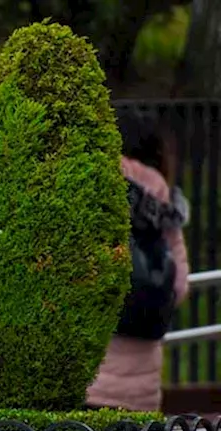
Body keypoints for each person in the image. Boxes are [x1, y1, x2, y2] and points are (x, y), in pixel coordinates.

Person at [87, 109, 190, 411]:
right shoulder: (162, 199)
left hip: (87, 375)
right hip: (143, 388)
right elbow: (179, 285)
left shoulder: (91, 182)